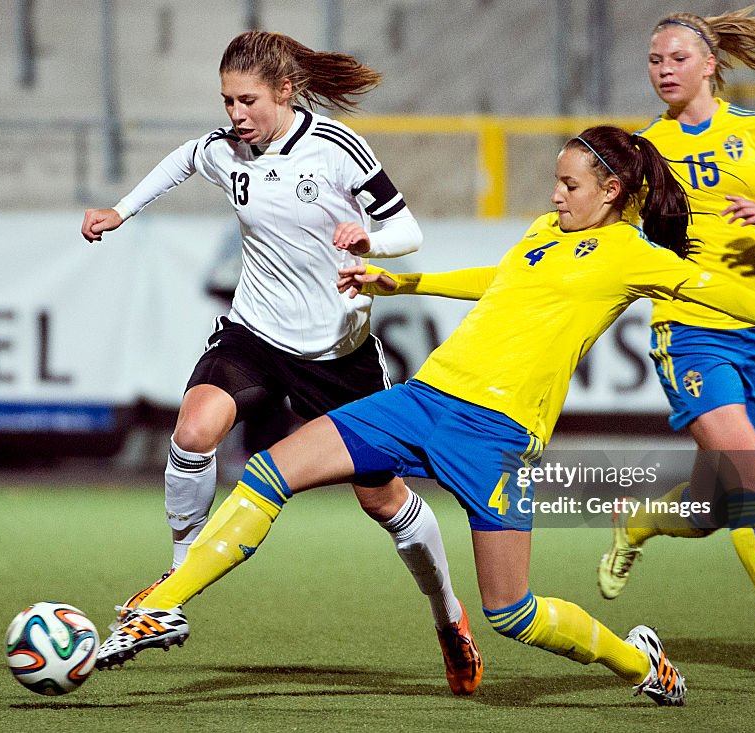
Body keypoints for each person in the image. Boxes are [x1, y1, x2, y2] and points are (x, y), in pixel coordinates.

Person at [95, 124, 755, 706]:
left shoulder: (633, 253)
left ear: (612, 189)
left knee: (513, 612)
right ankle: (159, 606)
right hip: (424, 398)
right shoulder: (543, 234)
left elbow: (719, 289)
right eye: (555, 181)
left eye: (569, 184)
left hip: (496, 439)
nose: (555, 194)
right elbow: (497, 280)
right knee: (271, 469)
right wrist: (404, 283)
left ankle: (640, 662)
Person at [80, 30, 482, 695]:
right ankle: (172, 592)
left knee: (383, 499)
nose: (236, 115)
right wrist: (120, 211)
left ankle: (448, 618)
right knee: (193, 430)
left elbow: (408, 231)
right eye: (228, 100)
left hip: (337, 355)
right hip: (254, 335)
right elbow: (185, 157)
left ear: (285, 92)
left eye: (248, 101)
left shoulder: (336, 149)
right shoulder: (228, 149)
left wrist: (370, 238)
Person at [595, 8, 755, 682]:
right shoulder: (643, 146)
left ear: (711, 64)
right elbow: (613, 234)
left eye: (677, 58)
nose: (663, 71)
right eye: (654, 61)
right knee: (752, 480)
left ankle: (641, 523)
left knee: (712, 507)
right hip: (687, 332)